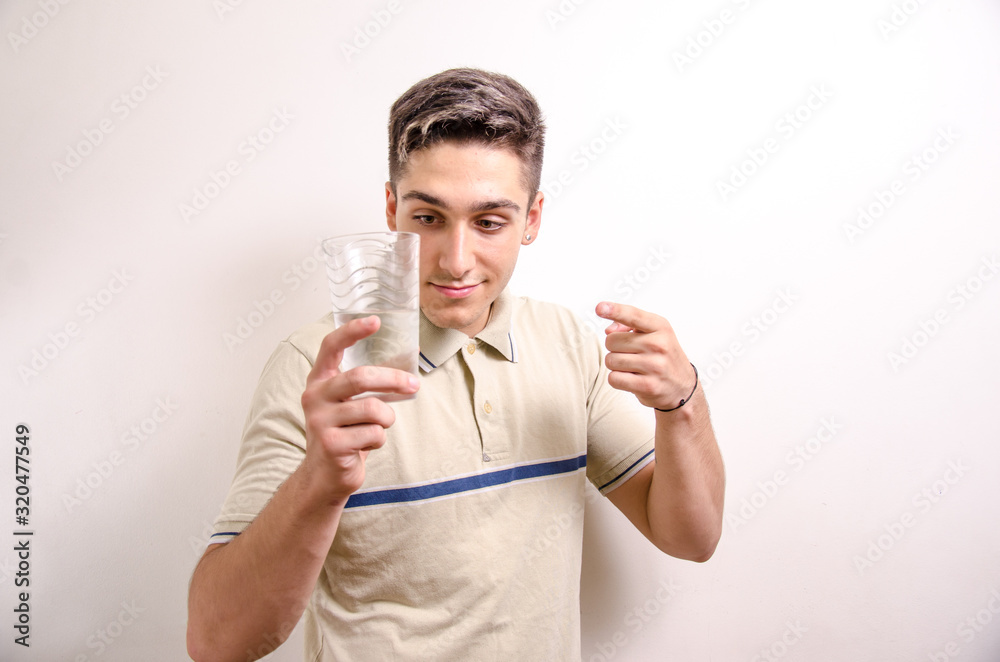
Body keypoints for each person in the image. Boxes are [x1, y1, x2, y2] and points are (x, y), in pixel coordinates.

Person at [187, 67, 724, 662]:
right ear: (391, 209)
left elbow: (690, 537)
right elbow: (218, 643)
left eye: (490, 222)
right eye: (428, 218)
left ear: (533, 219)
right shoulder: (317, 372)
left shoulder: (567, 344)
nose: (456, 260)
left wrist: (683, 404)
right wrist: (321, 479)